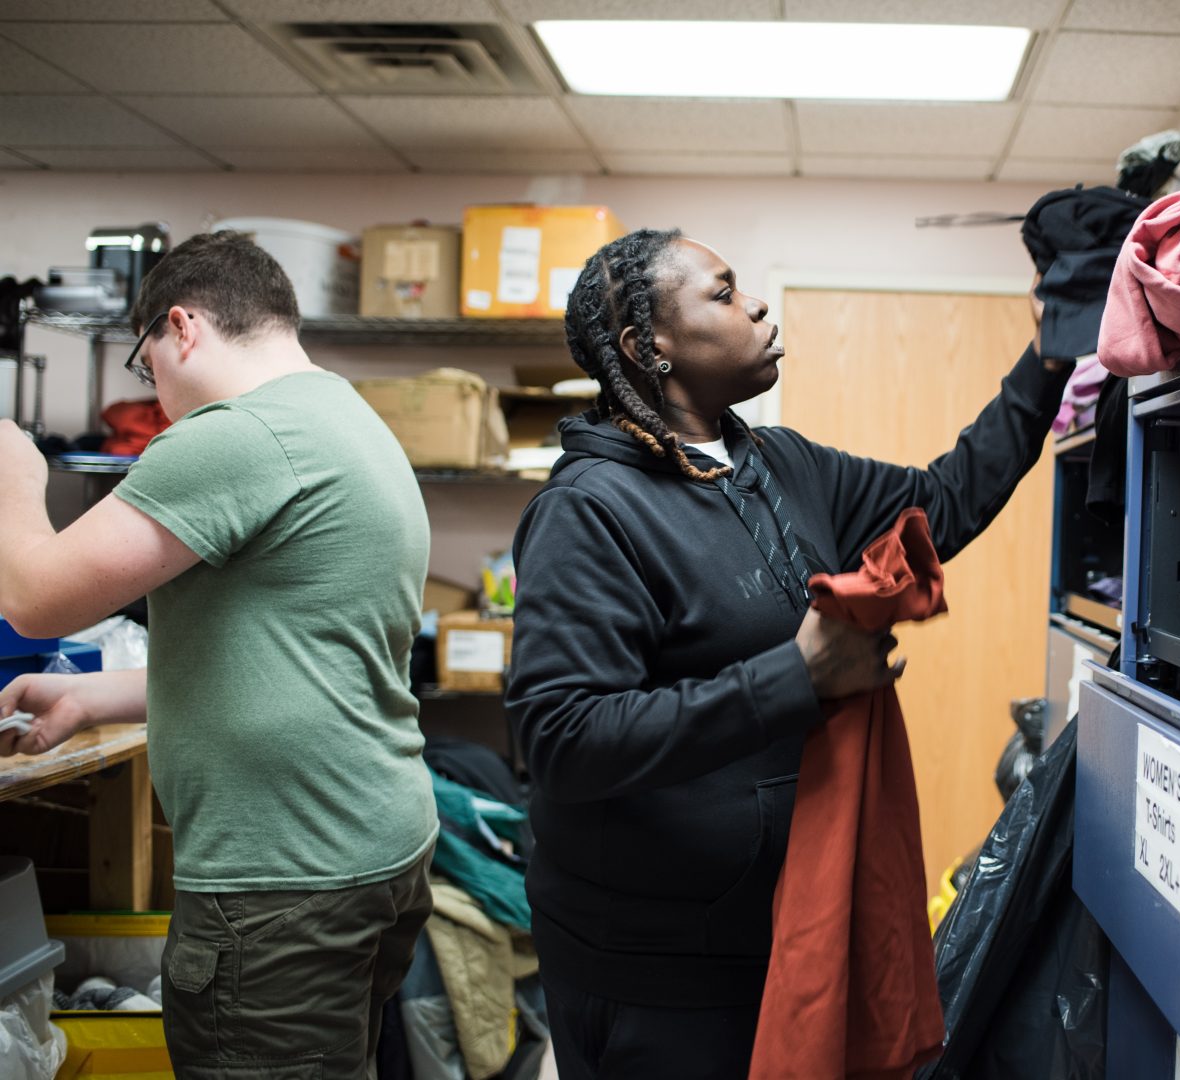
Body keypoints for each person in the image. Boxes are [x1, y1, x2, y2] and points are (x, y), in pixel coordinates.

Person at [505, 227, 1068, 1078]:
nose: (757, 304)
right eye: (724, 294)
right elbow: (562, 738)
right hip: (656, 974)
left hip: (785, 932)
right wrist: (793, 677)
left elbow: (944, 500)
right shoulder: (590, 510)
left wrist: (1048, 359)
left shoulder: (779, 464)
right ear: (646, 346)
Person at [0, 232, 438, 1079]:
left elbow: (34, 597)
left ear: (182, 327)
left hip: (282, 880)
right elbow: (290, 655)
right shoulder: (342, 416)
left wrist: (17, 475)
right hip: (368, 848)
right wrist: (90, 700)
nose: (154, 389)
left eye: (145, 362)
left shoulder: (238, 436)